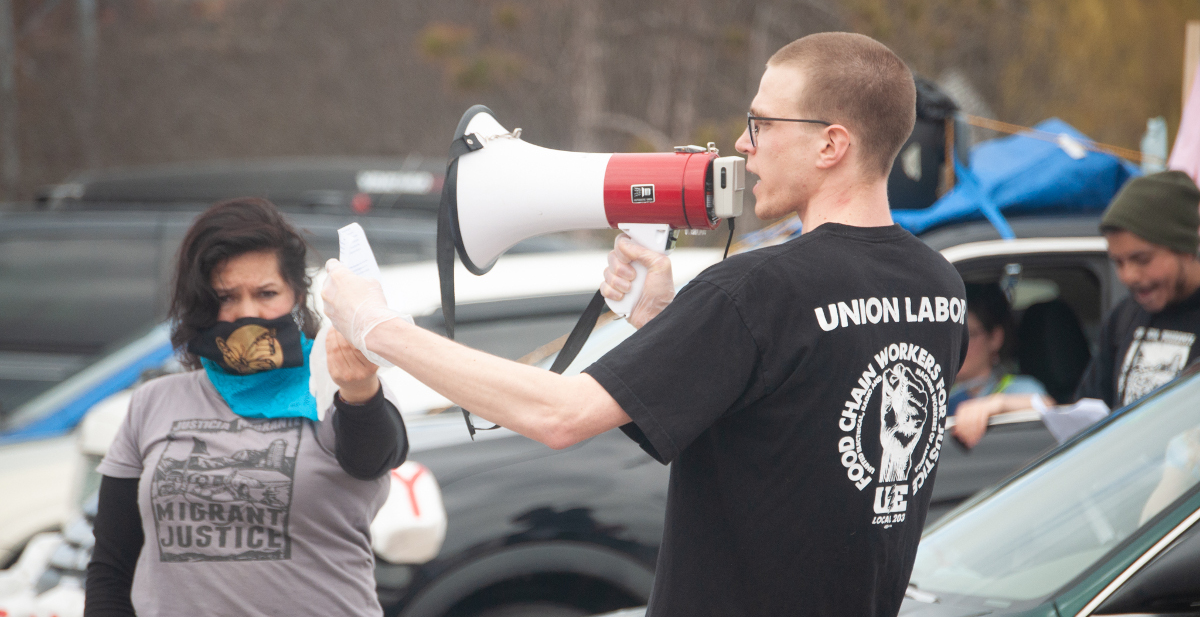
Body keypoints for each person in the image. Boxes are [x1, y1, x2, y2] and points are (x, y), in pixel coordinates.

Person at [323, 33, 967, 616]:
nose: (743, 145)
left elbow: (560, 416)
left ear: (831, 143)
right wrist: (661, 322)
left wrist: (378, 326)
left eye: (762, 124)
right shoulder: (940, 285)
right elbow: (787, 433)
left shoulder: (756, 290)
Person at [84, 198, 408, 617]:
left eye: (266, 293)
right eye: (226, 297)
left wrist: (360, 389)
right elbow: (111, 569)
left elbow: (375, 456)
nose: (247, 314)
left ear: (297, 294)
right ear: (200, 304)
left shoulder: (337, 384)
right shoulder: (153, 403)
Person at [953, 170, 1200, 449]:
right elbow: (1087, 414)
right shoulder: (1125, 318)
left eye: (1141, 259)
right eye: (1118, 263)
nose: (1129, 276)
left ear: (1186, 248)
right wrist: (1014, 405)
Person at [947, 282, 1047, 416]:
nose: (957, 346)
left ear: (995, 338)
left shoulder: (1018, 388)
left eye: (968, 335)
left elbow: (1047, 407)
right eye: (950, 336)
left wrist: (998, 404)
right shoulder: (942, 394)